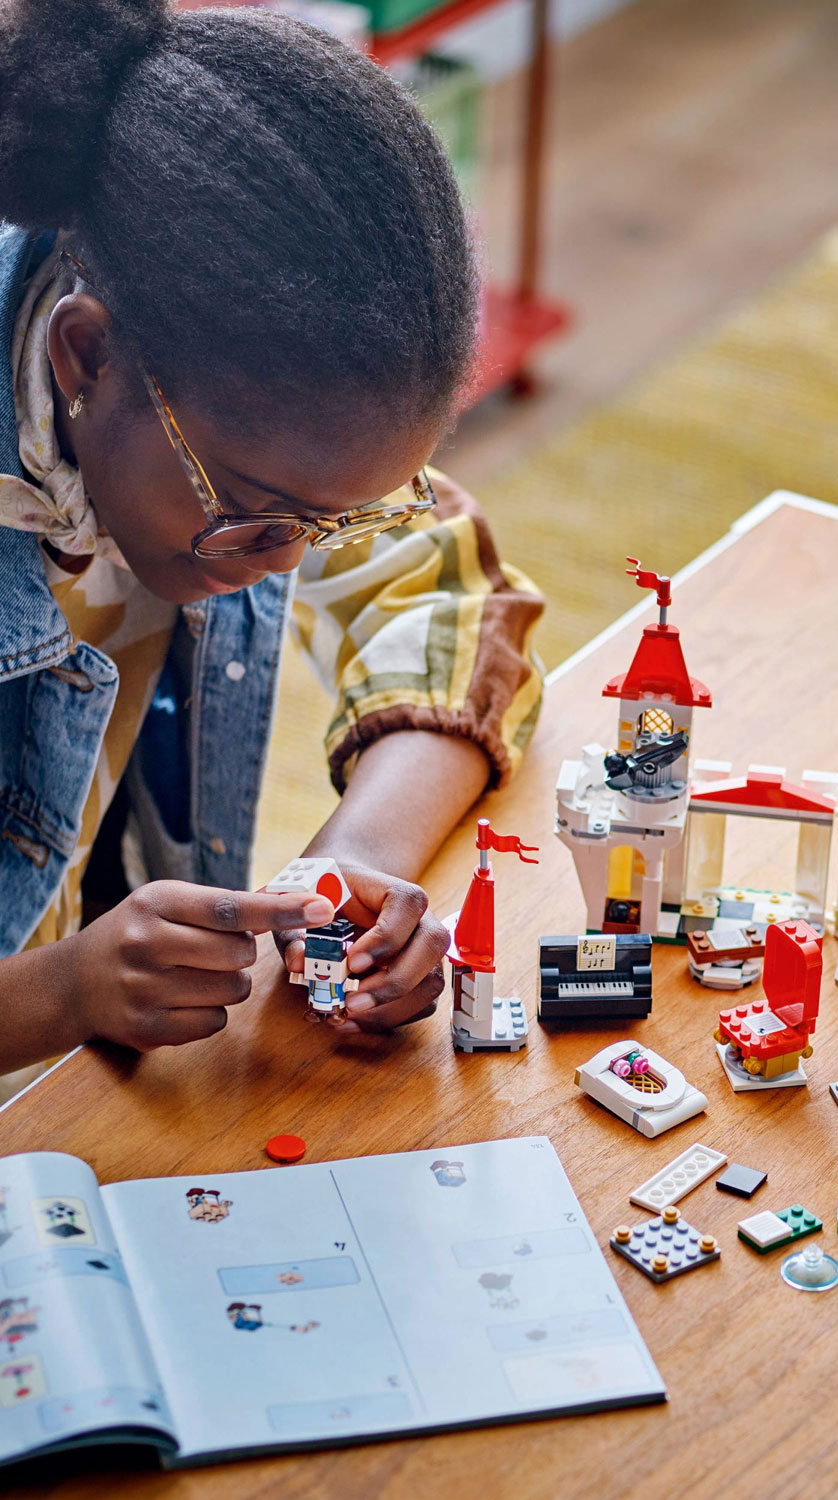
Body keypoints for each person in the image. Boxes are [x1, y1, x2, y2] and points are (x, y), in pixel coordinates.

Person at [0, 0, 544, 1079]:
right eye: (259, 512)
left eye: (336, 520)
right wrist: (63, 990)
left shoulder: (240, 407)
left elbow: (446, 594)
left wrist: (358, 863)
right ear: (85, 356)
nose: (294, 559)